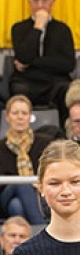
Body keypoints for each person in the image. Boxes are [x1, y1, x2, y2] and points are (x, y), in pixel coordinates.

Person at [9, 0, 76, 117]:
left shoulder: (63, 29)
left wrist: (33, 62)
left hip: (55, 80)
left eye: (44, 0)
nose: (40, 5)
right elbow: (24, 56)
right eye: (36, 0)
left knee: (67, 90)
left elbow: (68, 64)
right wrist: (38, 27)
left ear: (52, 2)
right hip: (27, 80)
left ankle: (64, 132)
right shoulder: (18, 28)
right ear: (29, 3)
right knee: (19, 89)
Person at [0, 95, 55, 224]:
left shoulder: (45, 143)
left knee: (16, 206)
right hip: (5, 196)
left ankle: (29, 239)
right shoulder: (0, 147)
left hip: (41, 195)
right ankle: (42, 230)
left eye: (24, 113)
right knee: (22, 183)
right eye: (15, 113)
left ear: (30, 117)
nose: (20, 117)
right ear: (7, 117)